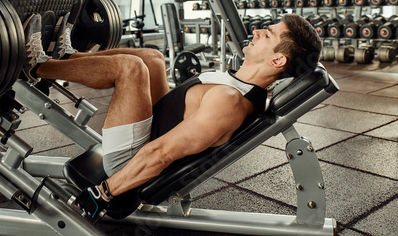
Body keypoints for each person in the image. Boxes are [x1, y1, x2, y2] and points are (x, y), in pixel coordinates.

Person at [21, 13, 322, 219]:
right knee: (152, 58)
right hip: (155, 128)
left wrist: (102, 193)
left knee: (130, 68)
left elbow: (162, 154)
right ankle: (68, 56)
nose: (257, 31)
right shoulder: (241, 85)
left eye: (267, 34)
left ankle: (37, 66)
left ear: (278, 59)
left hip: (130, 161)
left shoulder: (230, 101)